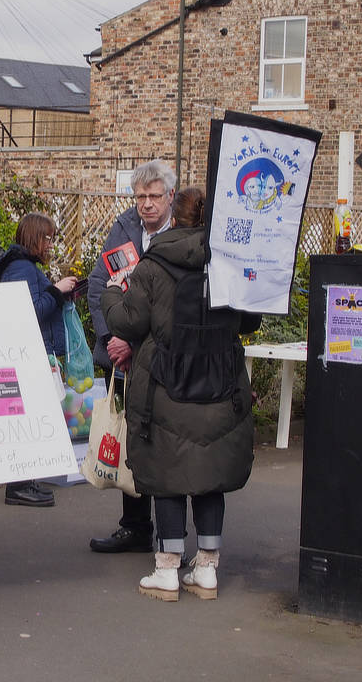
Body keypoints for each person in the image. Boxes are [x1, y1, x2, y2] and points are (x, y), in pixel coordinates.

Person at [101, 186, 259, 601]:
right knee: (210, 477)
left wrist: (112, 291)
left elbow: (129, 323)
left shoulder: (153, 265)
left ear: (175, 218)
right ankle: (206, 570)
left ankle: (167, 572)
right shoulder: (230, 262)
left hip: (165, 387)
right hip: (221, 384)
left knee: (168, 477)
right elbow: (249, 321)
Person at [86, 159, 175, 553]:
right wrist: (112, 338)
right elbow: (98, 284)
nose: (147, 204)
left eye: (154, 196)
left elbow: (175, 305)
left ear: (170, 197)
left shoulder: (185, 236)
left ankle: (171, 534)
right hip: (122, 358)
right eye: (140, 196)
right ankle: (135, 526)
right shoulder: (122, 230)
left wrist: (135, 342)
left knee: (166, 440)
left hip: (164, 357)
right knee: (129, 435)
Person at [0, 212, 77, 508]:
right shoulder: (22, 268)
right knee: (25, 420)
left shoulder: (20, 266)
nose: (51, 244)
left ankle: (25, 481)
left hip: (29, 353)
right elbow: (27, 312)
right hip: (27, 355)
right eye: (48, 237)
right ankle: (19, 485)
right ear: (35, 237)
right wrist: (58, 290)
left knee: (28, 418)